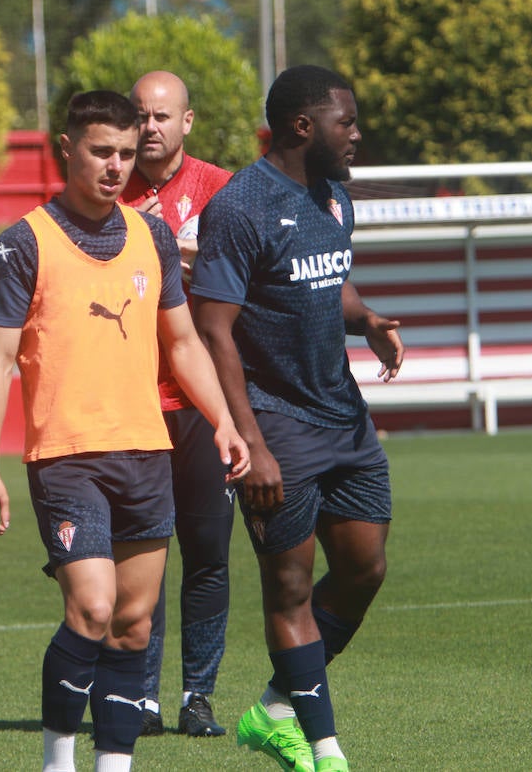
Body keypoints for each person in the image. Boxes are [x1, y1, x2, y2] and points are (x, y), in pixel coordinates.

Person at [0, 90, 251, 772]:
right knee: (92, 608)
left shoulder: (151, 236)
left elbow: (182, 343)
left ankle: (114, 766)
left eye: (126, 154)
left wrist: (225, 422)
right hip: (67, 458)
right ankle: (58, 760)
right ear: (65, 148)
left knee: (132, 623)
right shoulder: (20, 245)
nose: (115, 166)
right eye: (101, 151)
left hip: (147, 453)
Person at [190, 65, 404, 772]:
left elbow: (328, 276)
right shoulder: (239, 208)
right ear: (302, 127)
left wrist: (365, 317)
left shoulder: (336, 197)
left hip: (343, 418)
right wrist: (251, 443)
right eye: (347, 121)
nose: (358, 133)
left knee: (365, 569)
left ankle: (275, 706)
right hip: (274, 424)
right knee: (288, 587)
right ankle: (324, 749)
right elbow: (214, 330)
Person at [118, 71, 235, 738]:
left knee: (208, 550)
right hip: (130, 401)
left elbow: (248, 276)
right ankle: (141, 696)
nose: (152, 126)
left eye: (164, 115)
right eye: (142, 115)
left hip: (199, 401)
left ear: (187, 122)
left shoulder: (220, 189)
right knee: (143, 556)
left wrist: (191, 252)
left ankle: (198, 694)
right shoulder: (107, 190)